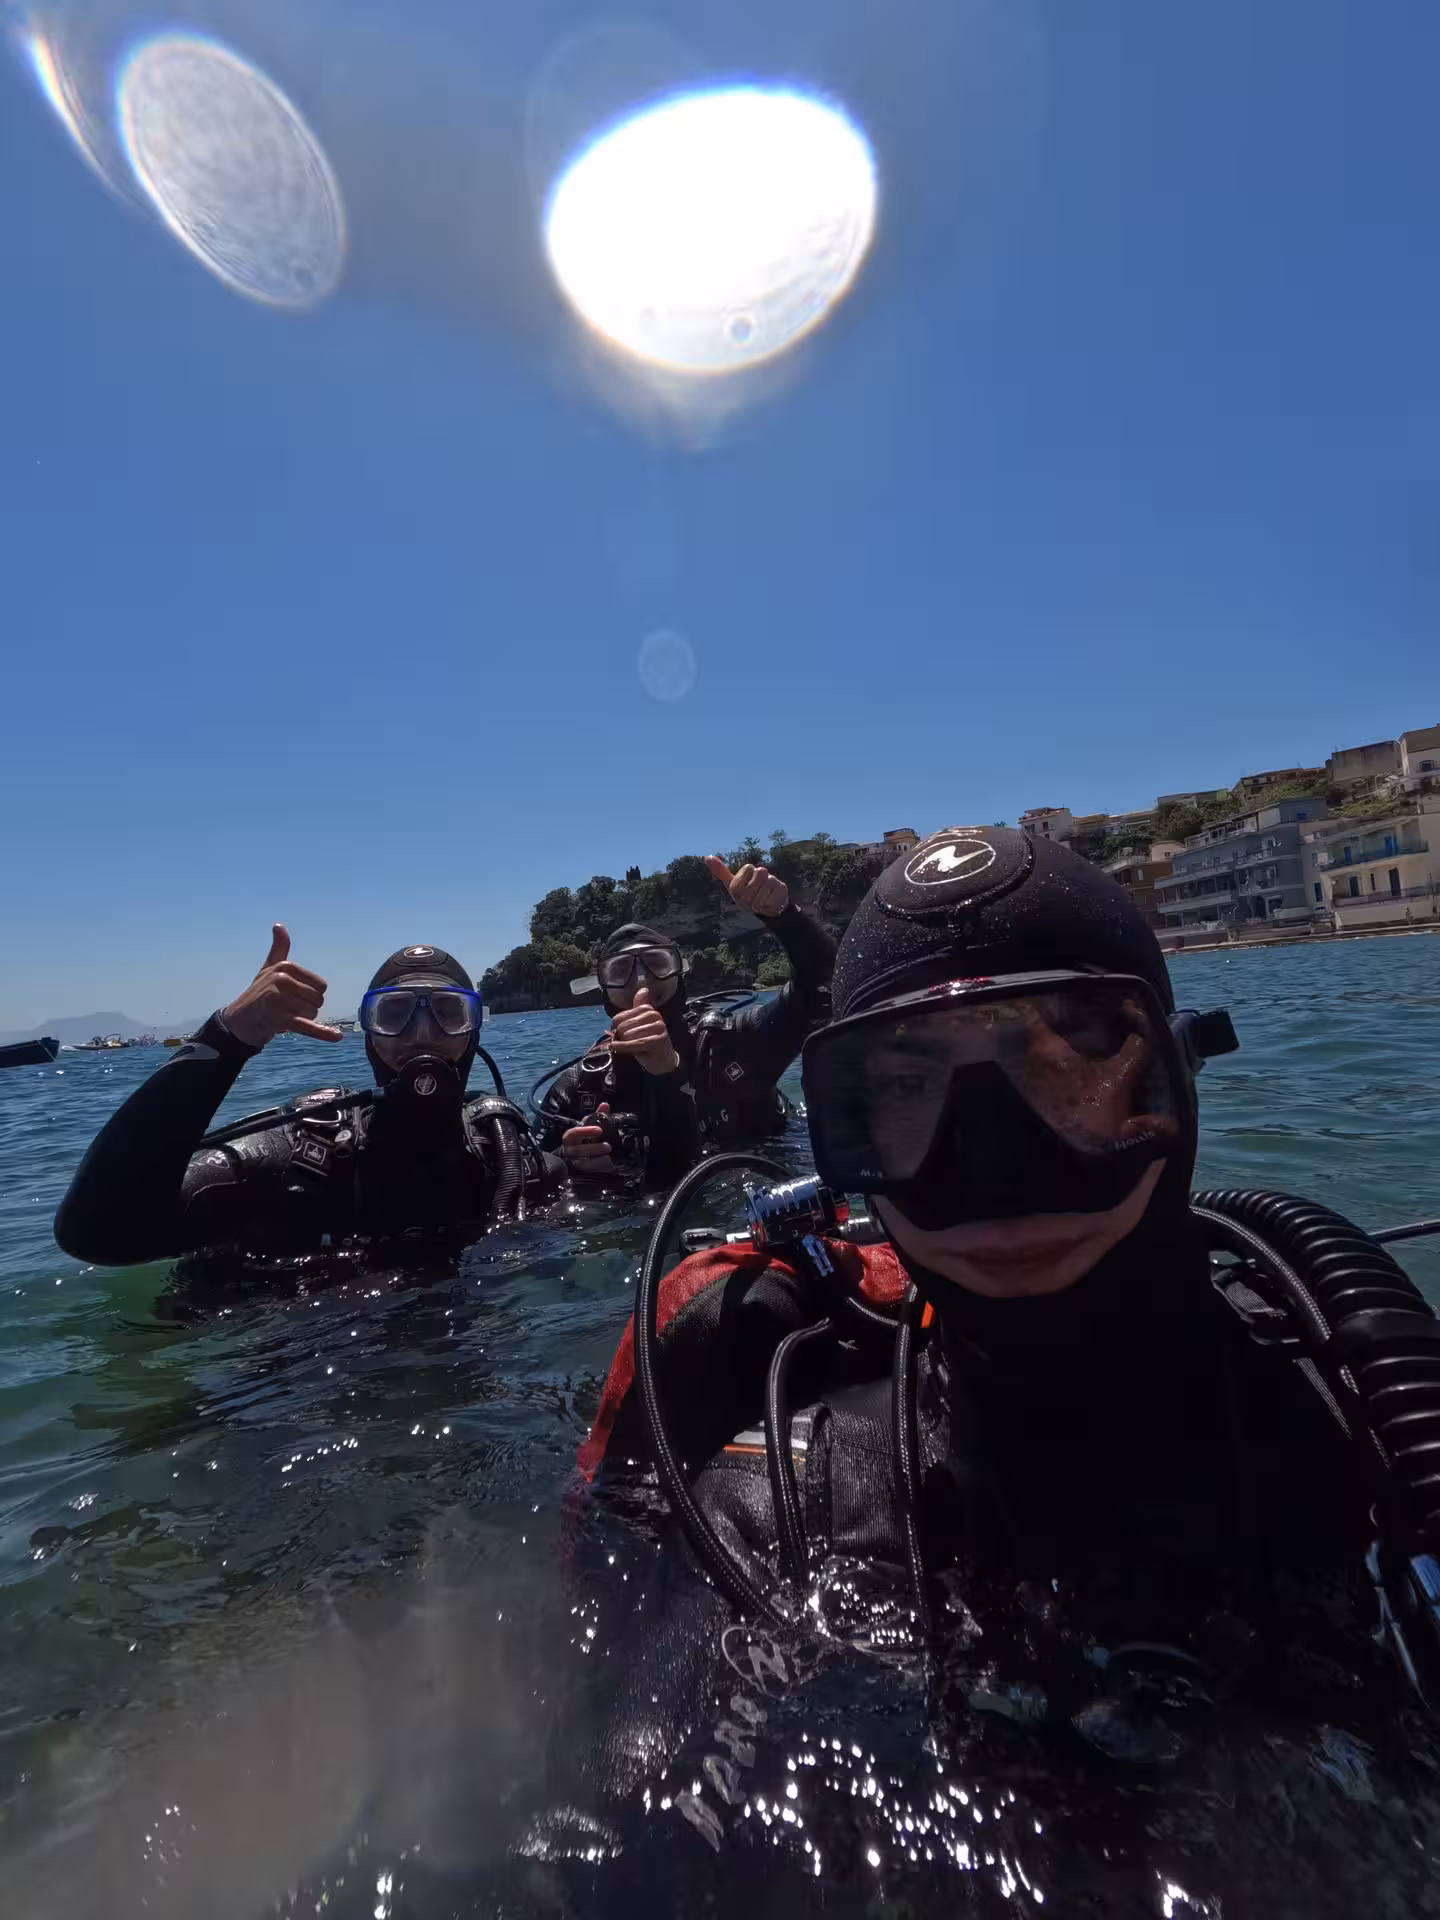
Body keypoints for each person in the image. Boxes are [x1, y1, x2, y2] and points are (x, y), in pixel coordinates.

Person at [569, 825, 1431, 1831]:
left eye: (1068, 1058)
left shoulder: (1386, 1429)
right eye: (901, 1085)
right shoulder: (782, 1511)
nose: (993, 1172)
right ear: (842, 1132)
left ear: (1174, 1076)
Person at [55, 928, 562, 1268]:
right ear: (369, 1033)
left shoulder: (507, 1154)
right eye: (395, 1014)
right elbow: (96, 1232)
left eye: (449, 1013)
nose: (421, 1034)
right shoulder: (295, 1158)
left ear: (473, 1031)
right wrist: (228, 1038)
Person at [537, 855, 836, 1185]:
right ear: (605, 992)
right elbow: (532, 1181)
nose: (642, 983)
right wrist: (567, 1163)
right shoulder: (579, 1090)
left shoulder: (733, 1043)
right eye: (621, 972)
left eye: (657, 964)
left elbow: (820, 988)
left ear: (679, 975)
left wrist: (784, 917)